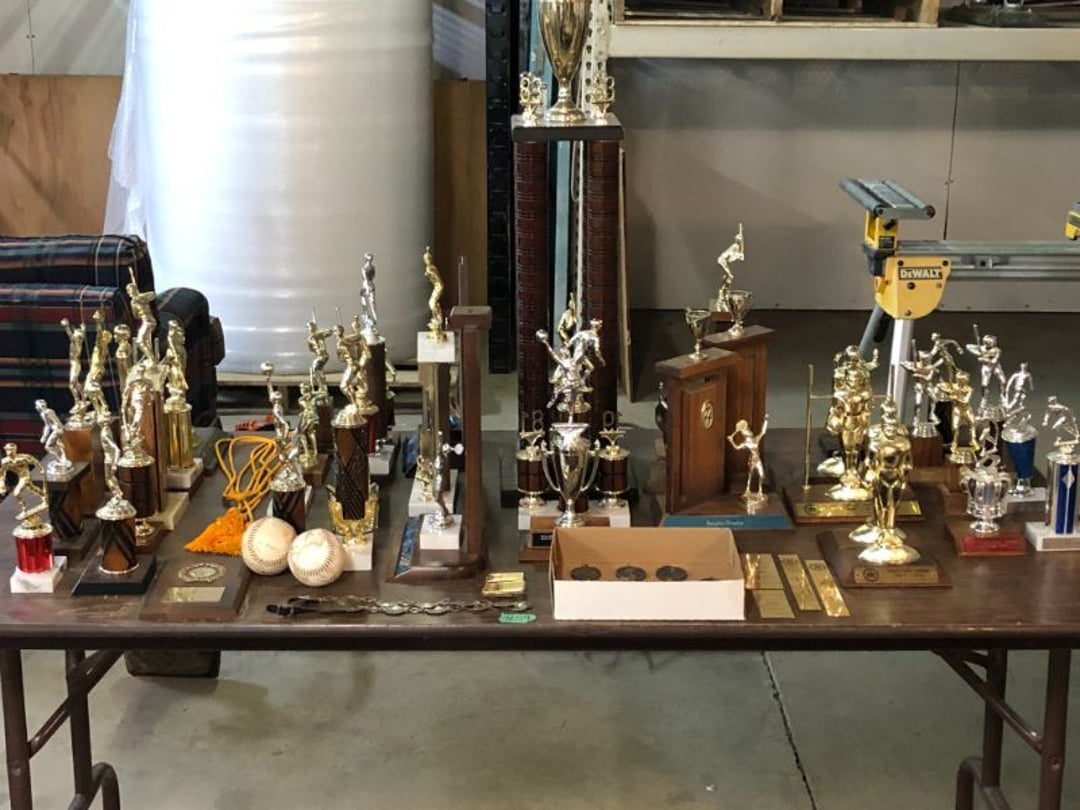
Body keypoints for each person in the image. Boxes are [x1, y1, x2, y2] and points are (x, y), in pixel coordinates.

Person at [727, 415, 768, 507]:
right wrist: (731, 441)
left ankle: (760, 491)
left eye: (750, 431)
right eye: (748, 432)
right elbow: (737, 447)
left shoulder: (756, 439)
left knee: (762, 475)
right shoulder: (745, 444)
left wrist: (766, 420)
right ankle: (747, 490)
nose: (750, 432)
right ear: (746, 435)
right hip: (752, 460)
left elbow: (763, 432)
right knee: (750, 475)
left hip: (758, 460)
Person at [35, 399, 72, 477]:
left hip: (58, 430)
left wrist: (59, 431)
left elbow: (56, 422)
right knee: (58, 445)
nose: (36, 407)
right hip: (57, 430)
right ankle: (61, 460)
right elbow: (48, 426)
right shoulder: (43, 413)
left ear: (40, 406)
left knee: (48, 446)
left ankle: (60, 460)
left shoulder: (48, 412)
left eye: (37, 406)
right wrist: (44, 436)